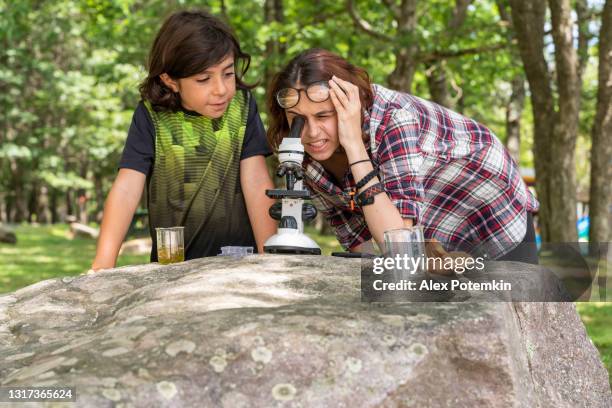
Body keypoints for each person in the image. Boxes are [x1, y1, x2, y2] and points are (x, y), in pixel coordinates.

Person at [266, 48, 539, 266]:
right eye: (298, 120)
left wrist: (354, 148)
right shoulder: (297, 149)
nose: (312, 132)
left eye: (324, 116)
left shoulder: (395, 119)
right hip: (421, 229)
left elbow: (398, 245)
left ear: (349, 104)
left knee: (512, 308)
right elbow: (367, 243)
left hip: (489, 210)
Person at [91, 10, 276, 270]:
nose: (221, 89)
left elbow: (257, 183)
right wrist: (103, 264)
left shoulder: (242, 107)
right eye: (203, 79)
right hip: (171, 267)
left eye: (228, 73)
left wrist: (271, 258)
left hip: (239, 264)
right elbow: (126, 189)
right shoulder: (150, 116)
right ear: (170, 80)